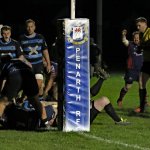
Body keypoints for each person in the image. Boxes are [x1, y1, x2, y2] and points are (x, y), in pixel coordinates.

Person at [0, 56, 50, 129]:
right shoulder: (20, 62)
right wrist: (23, 98)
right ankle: (45, 123)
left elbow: (2, 82)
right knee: (35, 101)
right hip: (30, 76)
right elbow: (26, 84)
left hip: (15, 76)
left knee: (2, 102)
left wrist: (2, 95)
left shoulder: (4, 65)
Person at [19, 19, 51, 97]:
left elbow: (45, 51)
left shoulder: (40, 37)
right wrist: (26, 62)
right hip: (27, 65)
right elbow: (20, 54)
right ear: (25, 28)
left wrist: (48, 64)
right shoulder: (21, 38)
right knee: (28, 85)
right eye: (28, 27)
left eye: (31, 26)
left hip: (38, 64)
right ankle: (25, 100)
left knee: (38, 84)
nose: (30, 28)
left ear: (34, 27)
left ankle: (28, 100)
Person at [117, 29, 143, 108]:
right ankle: (120, 99)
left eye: (138, 38)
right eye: (135, 38)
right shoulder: (130, 44)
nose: (136, 39)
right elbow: (124, 41)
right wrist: (123, 35)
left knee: (142, 86)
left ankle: (143, 103)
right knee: (127, 87)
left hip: (141, 70)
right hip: (131, 70)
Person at [134, 17, 150, 113]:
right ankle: (142, 107)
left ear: (145, 23)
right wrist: (140, 48)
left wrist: (142, 46)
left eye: (139, 25)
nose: (138, 27)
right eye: (137, 25)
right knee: (141, 82)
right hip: (147, 63)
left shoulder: (149, 32)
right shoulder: (142, 34)